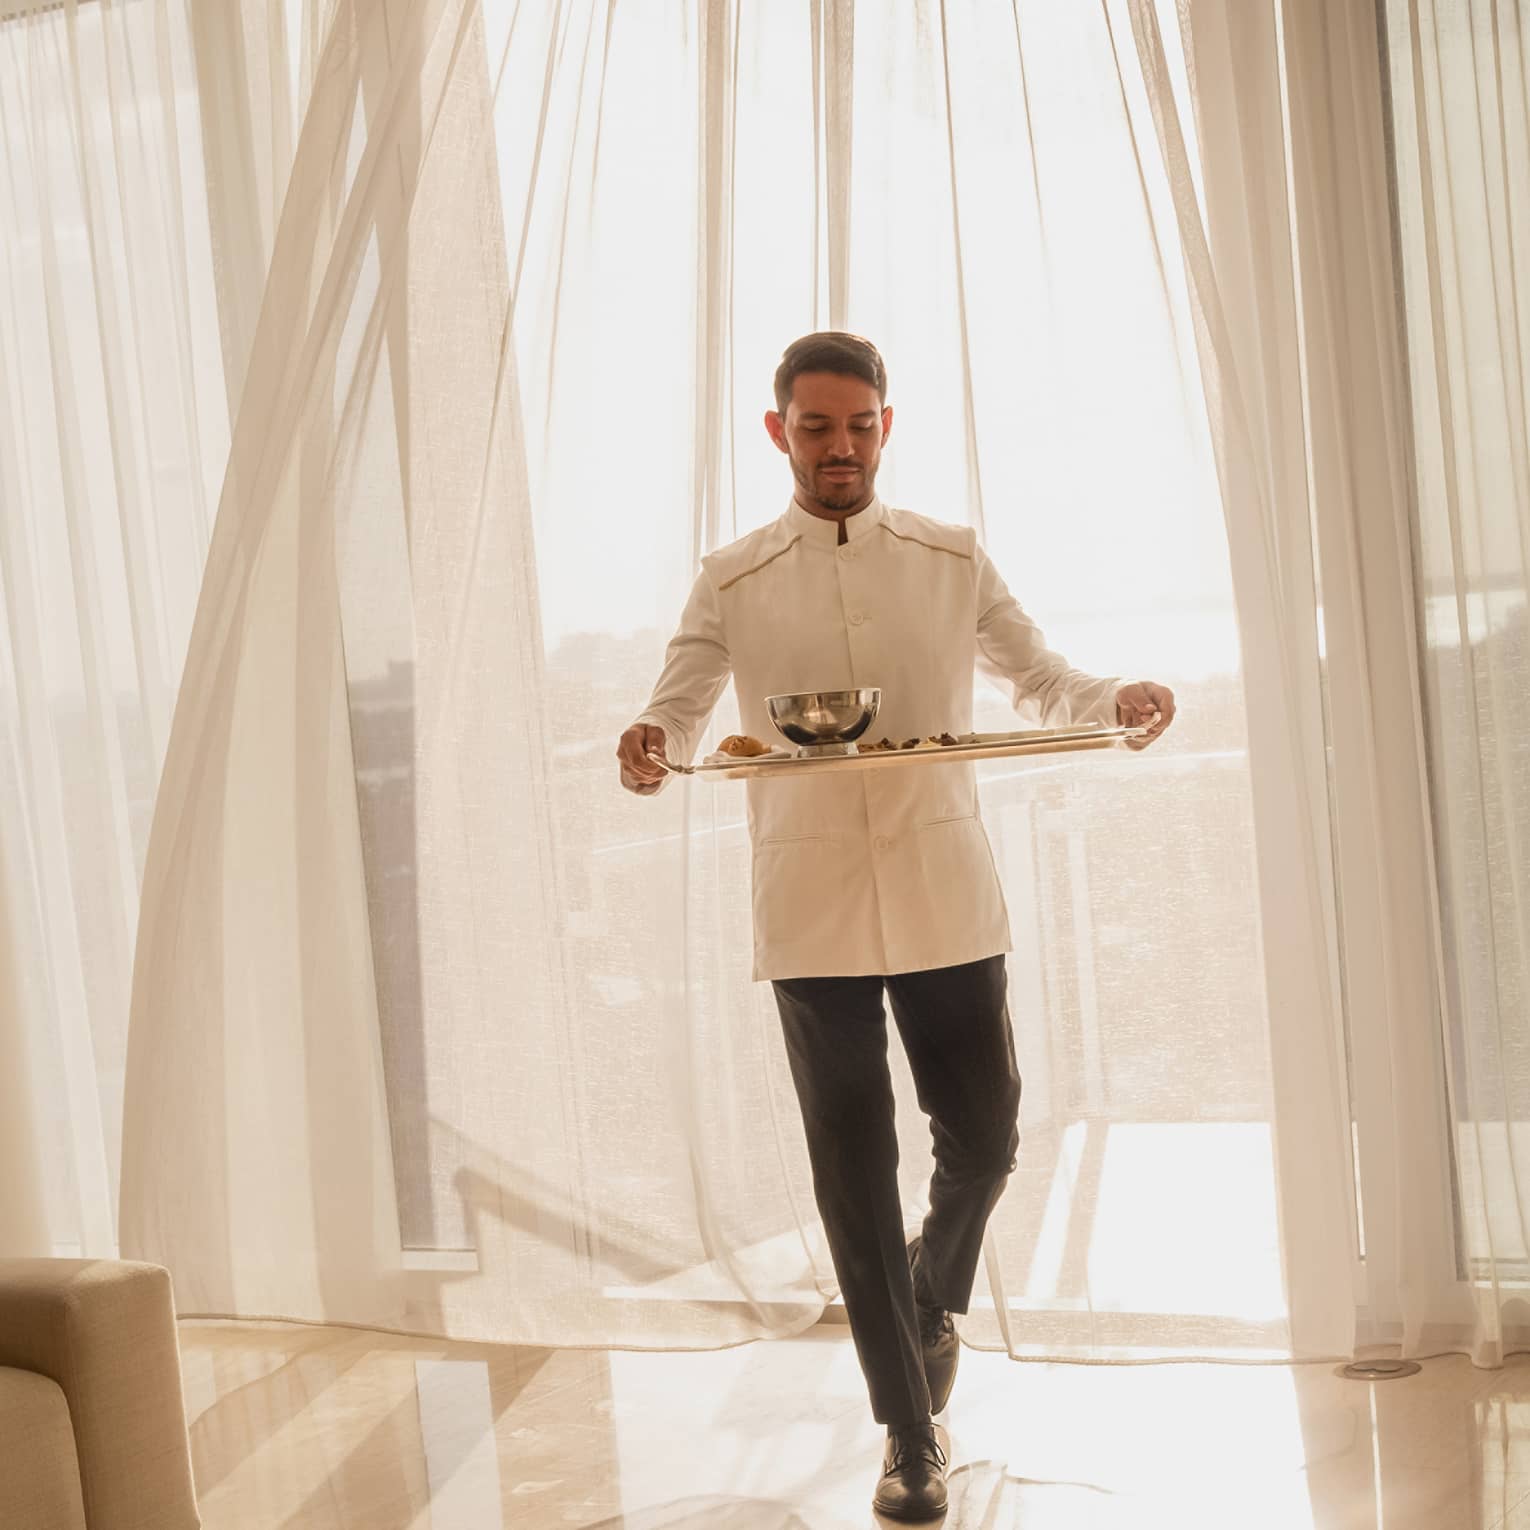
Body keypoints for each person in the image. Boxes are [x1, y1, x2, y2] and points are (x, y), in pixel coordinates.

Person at [616, 332, 1175, 1520]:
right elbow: (676, 702)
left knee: (986, 1138)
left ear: (885, 425)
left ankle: (930, 1296)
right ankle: (908, 1435)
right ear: (779, 433)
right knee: (852, 1175)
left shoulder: (949, 556)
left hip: (943, 894)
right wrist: (652, 745)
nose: (839, 448)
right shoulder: (731, 576)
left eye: (858, 425)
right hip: (809, 908)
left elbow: (1042, 677)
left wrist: (1115, 701)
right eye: (815, 428)